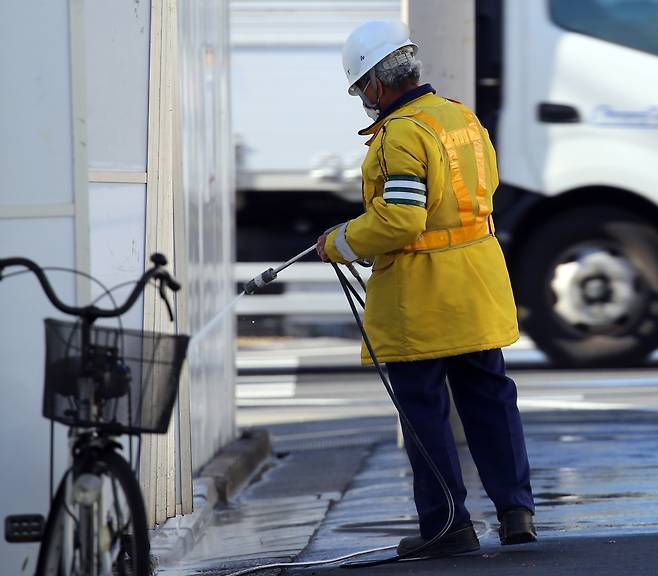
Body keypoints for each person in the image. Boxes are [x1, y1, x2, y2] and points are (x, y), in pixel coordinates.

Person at [316, 20, 536, 557]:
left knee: (424, 410)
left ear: (375, 85)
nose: (364, 101)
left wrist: (338, 242)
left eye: (361, 90)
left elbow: (401, 220)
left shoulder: (400, 137)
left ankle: (447, 526)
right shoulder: (461, 117)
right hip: (478, 283)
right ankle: (516, 512)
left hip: (423, 295)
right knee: (490, 399)